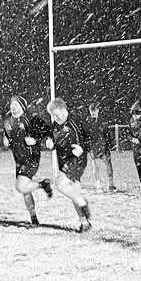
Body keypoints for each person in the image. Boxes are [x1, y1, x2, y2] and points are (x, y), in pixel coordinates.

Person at [2, 94, 53, 225]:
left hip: (31, 158)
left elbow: (47, 130)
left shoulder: (32, 119)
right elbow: (7, 135)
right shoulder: (7, 121)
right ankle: (34, 218)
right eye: (11, 105)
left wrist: (36, 140)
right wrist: (6, 140)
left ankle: (43, 184)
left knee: (21, 186)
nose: (13, 108)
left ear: (23, 106)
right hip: (18, 161)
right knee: (25, 191)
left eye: (16, 105)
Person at [46, 98, 93, 232]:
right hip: (64, 161)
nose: (55, 118)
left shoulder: (76, 120)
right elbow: (54, 139)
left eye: (56, 114)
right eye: (52, 115)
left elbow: (89, 136)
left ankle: (83, 203)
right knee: (74, 193)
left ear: (62, 109)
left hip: (76, 160)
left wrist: (82, 148)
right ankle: (84, 222)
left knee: (60, 184)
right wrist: (50, 143)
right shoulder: (55, 125)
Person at [83, 101, 116, 192]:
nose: (93, 112)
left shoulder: (103, 121)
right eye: (91, 110)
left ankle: (111, 185)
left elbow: (107, 133)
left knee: (109, 165)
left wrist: (111, 143)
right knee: (96, 167)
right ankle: (98, 186)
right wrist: (87, 147)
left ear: (98, 110)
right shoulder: (87, 122)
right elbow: (85, 135)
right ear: (89, 111)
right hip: (94, 148)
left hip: (104, 146)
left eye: (95, 110)